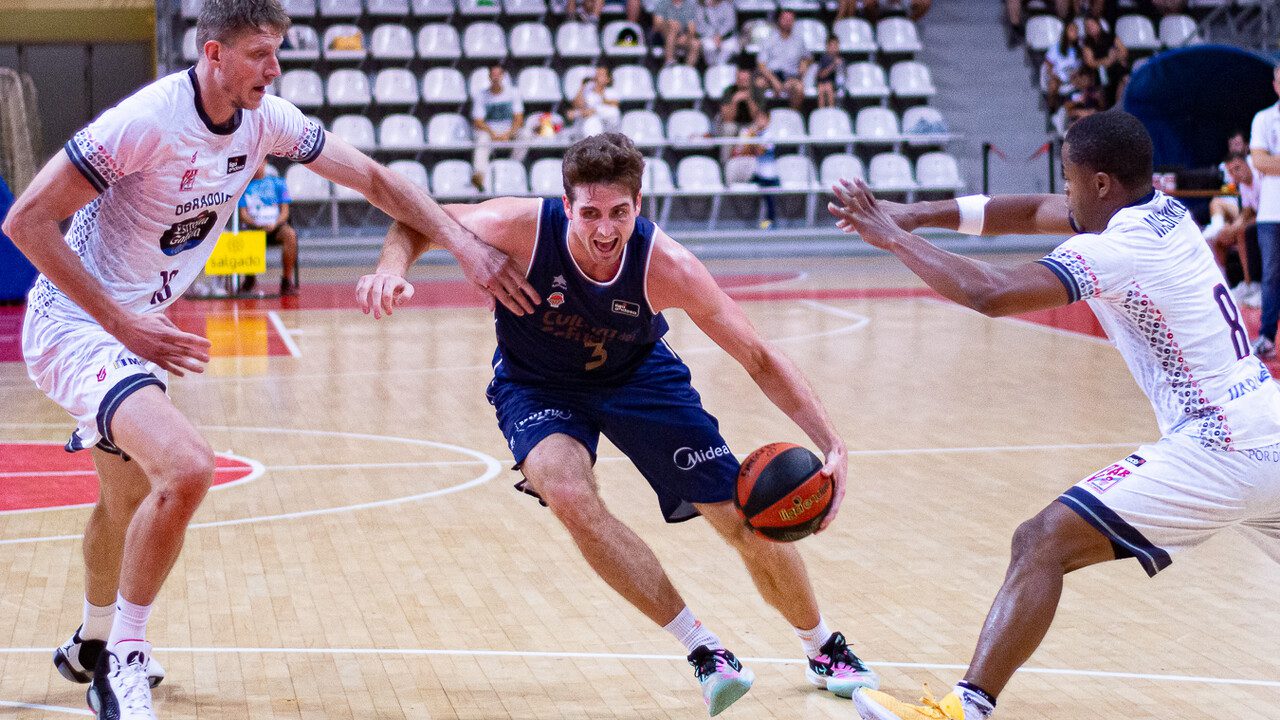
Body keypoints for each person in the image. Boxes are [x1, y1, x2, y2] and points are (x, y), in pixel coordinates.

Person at [2, 0, 539, 717]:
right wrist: (122, 322)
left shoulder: (269, 119)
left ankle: (93, 641)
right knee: (188, 467)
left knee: (126, 499)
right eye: (261, 53)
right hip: (77, 321)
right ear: (214, 54)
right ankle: (122, 661)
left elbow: (378, 181)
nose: (275, 67)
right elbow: (25, 222)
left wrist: (463, 243)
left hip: (135, 324)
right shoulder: (143, 122)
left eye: (278, 51)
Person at [357, 132, 879, 716]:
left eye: (620, 213)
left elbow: (755, 354)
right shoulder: (515, 227)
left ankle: (822, 645)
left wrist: (832, 442)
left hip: (640, 379)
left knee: (740, 517)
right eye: (590, 214)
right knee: (567, 492)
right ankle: (704, 650)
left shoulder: (668, 266)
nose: (605, 230)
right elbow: (419, 217)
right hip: (537, 384)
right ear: (565, 204)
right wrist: (389, 266)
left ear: (639, 205)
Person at [828, 110, 1280, 720]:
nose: (1061, 193)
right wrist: (915, 212)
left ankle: (964, 708)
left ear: (1100, 184)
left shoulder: (1121, 247)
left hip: (1219, 442)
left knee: (1040, 541)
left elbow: (992, 293)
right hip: (1267, 419)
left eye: (1069, 179)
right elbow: (1030, 210)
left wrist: (895, 238)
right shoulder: (1157, 209)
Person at [1205, 153, 1261, 307]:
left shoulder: (1260, 176)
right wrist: (1234, 226)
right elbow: (1248, 211)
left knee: (1243, 232)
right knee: (1221, 238)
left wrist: (1238, 227)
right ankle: (1229, 285)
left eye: (1238, 168)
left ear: (1247, 163)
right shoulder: (1242, 184)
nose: (1236, 173)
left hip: (1269, 221)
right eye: (1232, 171)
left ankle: (1254, 285)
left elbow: (1264, 213)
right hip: (1255, 220)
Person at [1251, 65, 1280, 359]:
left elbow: (1268, 161)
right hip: (1271, 212)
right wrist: (1267, 160)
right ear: (1275, 84)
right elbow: (1259, 161)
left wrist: (1273, 160)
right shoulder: (1264, 118)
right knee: (1270, 275)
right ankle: (1267, 337)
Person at [236, 160, 298, 295]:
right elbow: (243, 214)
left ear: (265, 162)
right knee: (246, 235)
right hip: (253, 227)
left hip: (275, 228)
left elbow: (285, 212)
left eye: (259, 162)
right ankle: (249, 278)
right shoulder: (243, 186)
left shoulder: (278, 183)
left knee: (290, 235)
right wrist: (256, 224)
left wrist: (275, 224)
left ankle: (286, 281)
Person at [471, 64, 530, 193]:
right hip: (490, 132)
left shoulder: (513, 93)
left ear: (503, 76)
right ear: (489, 77)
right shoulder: (481, 95)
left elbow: (519, 119)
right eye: (494, 75)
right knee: (482, 138)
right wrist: (493, 133)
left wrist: (508, 134)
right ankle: (480, 174)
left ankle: (514, 165)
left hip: (508, 132)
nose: (496, 78)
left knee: (525, 134)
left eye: (499, 74)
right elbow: (478, 121)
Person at [758, 11, 810, 111]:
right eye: (785, 19)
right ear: (779, 20)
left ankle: (793, 117)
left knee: (799, 88)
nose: (788, 22)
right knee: (758, 84)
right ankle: (760, 119)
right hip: (771, 76)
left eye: (790, 20)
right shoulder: (769, 39)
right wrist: (774, 80)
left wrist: (804, 63)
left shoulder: (799, 40)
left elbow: (808, 57)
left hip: (790, 77)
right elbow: (761, 65)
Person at [1080, 15, 1129, 107]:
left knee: (1123, 74)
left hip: (1116, 68)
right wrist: (1108, 60)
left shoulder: (1111, 37)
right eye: (1088, 26)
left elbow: (1124, 52)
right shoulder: (1087, 43)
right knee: (1104, 75)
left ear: (1098, 24)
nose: (1091, 28)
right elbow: (1090, 63)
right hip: (1100, 71)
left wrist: (1115, 57)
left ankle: (1119, 106)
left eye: (1092, 25)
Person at [569, 65, 621, 138]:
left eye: (601, 75)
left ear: (608, 79)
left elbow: (614, 105)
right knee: (592, 121)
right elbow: (577, 105)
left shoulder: (611, 91)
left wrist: (593, 110)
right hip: (589, 123)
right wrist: (582, 86)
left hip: (608, 125)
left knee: (613, 111)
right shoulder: (587, 91)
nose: (597, 77)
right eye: (596, 74)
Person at [1042, 21, 1082, 116]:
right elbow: (1048, 65)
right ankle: (1052, 110)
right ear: (1065, 33)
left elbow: (1082, 66)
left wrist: (1077, 75)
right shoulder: (1056, 47)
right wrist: (1053, 75)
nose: (1074, 32)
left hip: (1074, 77)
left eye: (1076, 30)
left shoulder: (1080, 48)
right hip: (1058, 77)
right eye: (1072, 30)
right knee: (1053, 84)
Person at [652, 0, 701, 66]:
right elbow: (657, 25)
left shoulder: (689, 6)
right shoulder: (662, 4)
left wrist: (686, 37)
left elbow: (692, 29)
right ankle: (669, 61)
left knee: (696, 44)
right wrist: (669, 23)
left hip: (682, 36)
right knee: (674, 26)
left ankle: (688, 70)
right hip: (663, 36)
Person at [697, 0, 739, 67]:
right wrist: (714, 35)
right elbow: (700, 25)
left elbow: (731, 23)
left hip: (726, 37)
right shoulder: (702, 6)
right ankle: (711, 68)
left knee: (730, 47)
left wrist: (720, 35)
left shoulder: (727, 5)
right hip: (709, 36)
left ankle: (720, 67)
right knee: (709, 47)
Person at [815, 36, 845, 110]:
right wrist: (833, 65)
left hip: (835, 84)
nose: (834, 48)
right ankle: (821, 112)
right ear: (827, 47)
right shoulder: (824, 59)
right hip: (822, 82)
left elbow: (843, 75)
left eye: (836, 46)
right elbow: (821, 75)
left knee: (828, 87)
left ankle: (831, 111)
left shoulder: (841, 60)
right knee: (821, 88)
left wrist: (839, 66)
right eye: (831, 46)